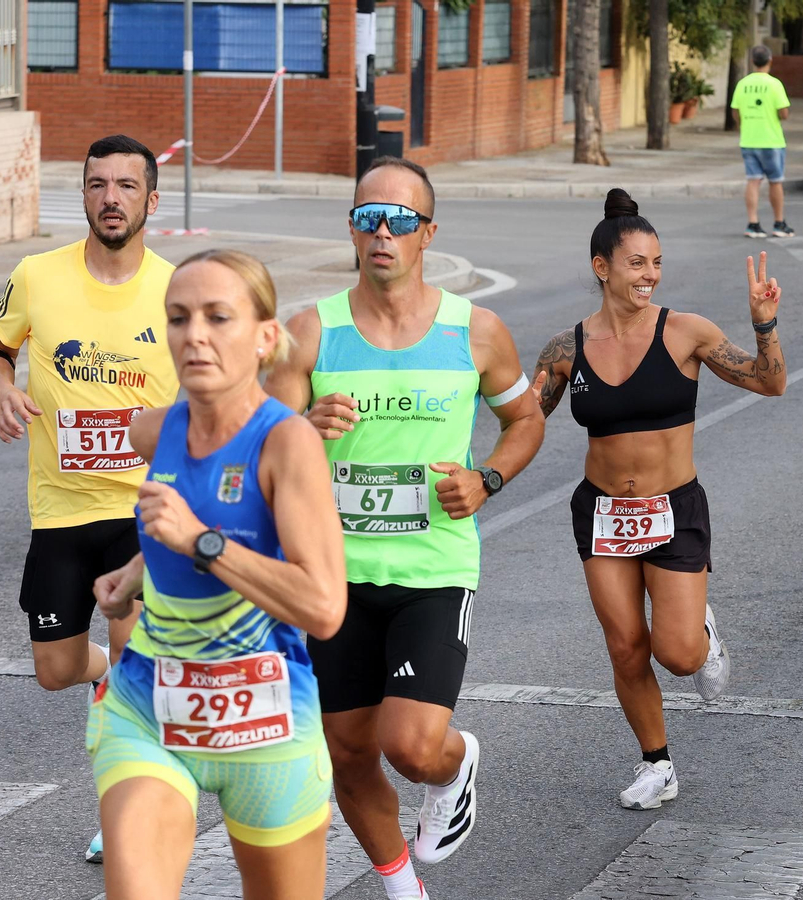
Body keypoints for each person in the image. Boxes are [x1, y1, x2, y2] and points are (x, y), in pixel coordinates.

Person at [265, 157, 546, 900]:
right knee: (349, 753)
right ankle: (401, 888)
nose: (382, 232)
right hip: (332, 578)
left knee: (411, 747)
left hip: (433, 571)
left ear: (428, 233)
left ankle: (455, 766)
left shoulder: (475, 332)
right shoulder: (310, 333)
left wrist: (487, 479)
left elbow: (525, 419)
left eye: (399, 220)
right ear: (352, 230)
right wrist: (301, 427)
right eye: (368, 218)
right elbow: (255, 448)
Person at [86, 250, 346, 900]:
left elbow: (322, 606)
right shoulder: (153, 431)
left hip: (267, 723)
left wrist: (200, 543)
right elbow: (184, 520)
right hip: (151, 707)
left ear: (265, 337)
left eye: (217, 317)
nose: (194, 335)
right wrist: (138, 570)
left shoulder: (286, 442)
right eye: (178, 318)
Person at [529, 190, 784, 810]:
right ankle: (657, 764)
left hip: (673, 509)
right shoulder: (565, 350)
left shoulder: (686, 332)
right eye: (637, 263)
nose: (650, 275)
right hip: (603, 513)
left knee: (678, 655)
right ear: (602, 267)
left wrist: (764, 323)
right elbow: (526, 422)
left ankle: (702, 632)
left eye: (657, 263)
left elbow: (770, 382)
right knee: (624, 645)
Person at [0, 134, 178, 865]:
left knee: (130, 662)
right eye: (98, 185)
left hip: (143, 509)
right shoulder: (37, 275)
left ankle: (124, 817)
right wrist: (3, 388)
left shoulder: (177, 291)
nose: (111, 198)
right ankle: (113, 684)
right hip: (60, 508)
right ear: (84, 195)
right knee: (56, 670)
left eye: (126, 186)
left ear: (151, 201)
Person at [731, 45, 793, 239]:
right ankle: (779, 223)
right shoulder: (775, 84)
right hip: (771, 140)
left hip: (749, 139)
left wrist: (743, 125)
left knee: (753, 180)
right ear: (770, 61)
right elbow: (784, 113)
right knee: (775, 181)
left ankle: (753, 223)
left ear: (752, 61)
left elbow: (735, 111)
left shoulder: (743, 84)